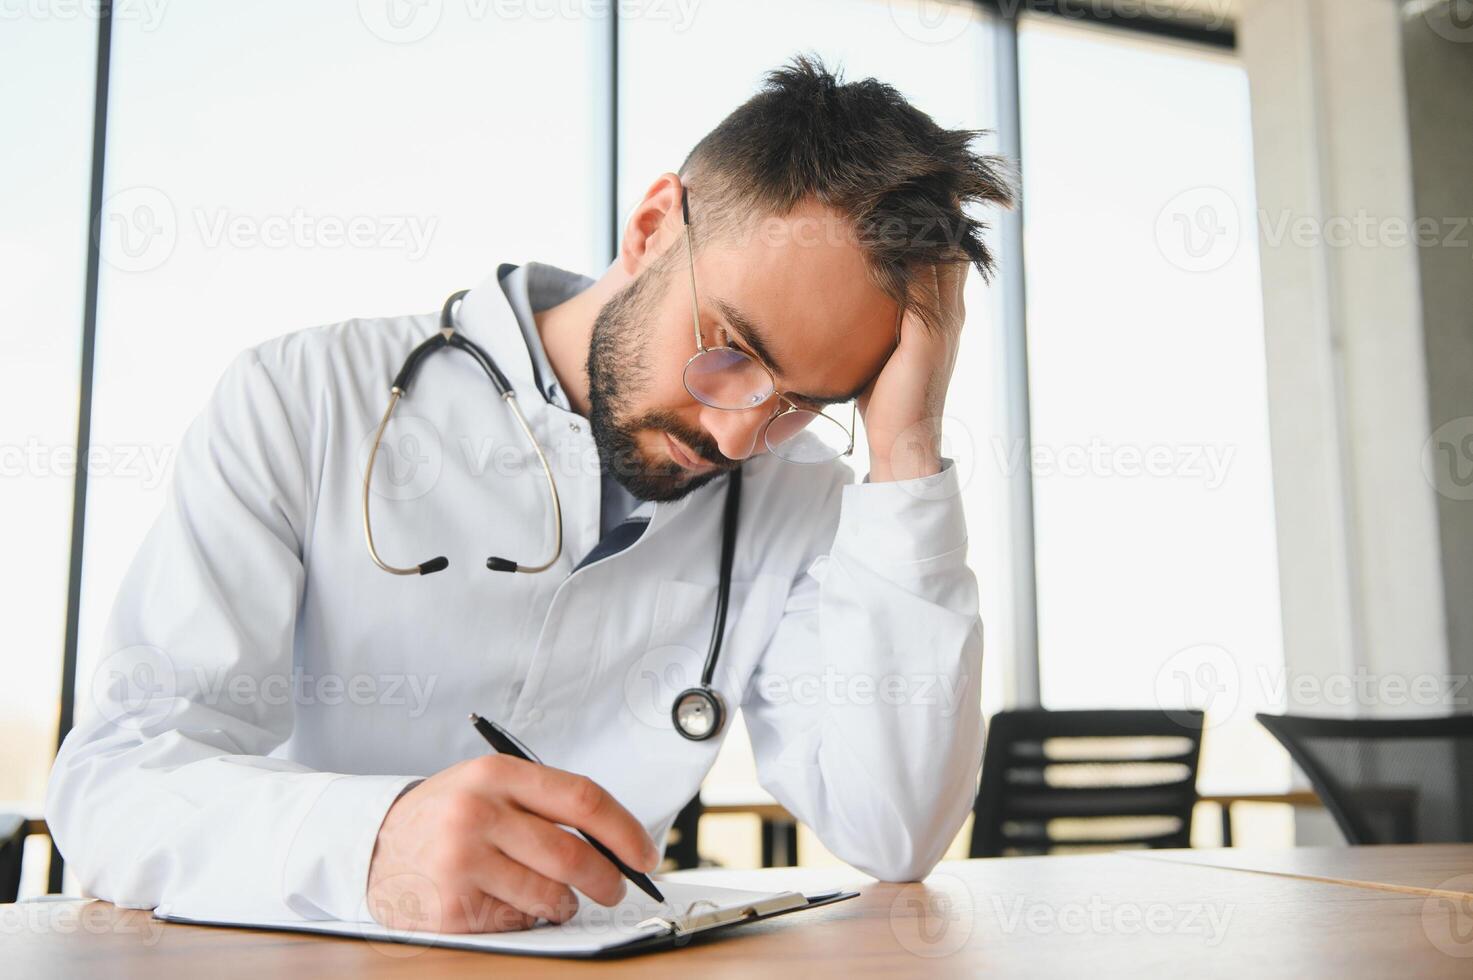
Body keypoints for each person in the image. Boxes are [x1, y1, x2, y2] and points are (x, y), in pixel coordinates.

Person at [47, 55, 1013, 934]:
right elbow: (115, 790)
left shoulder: (800, 491)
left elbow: (893, 830)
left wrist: (906, 447)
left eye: (803, 402)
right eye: (733, 354)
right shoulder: (304, 397)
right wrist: (367, 840)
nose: (735, 435)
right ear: (649, 229)